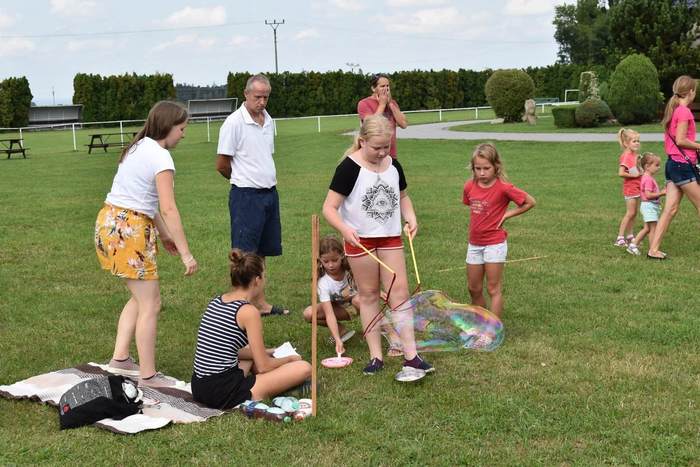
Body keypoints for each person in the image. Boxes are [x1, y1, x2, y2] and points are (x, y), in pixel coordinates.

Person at [322, 114, 433, 381]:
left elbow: (403, 196)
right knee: (369, 295)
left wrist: (411, 216)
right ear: (362, 141)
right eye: (377, 148)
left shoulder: (394, 165)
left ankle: (411, 355)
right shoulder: (349, 168)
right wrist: (345, 230)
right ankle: (376, 356)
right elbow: (329, 208)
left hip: (390, 238)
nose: (383, 152)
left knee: (400, 293)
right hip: (361, 242)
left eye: (387, 146)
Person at [96, 100, 198, 388]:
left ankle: (120, 359)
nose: (183, 134)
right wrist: (186, 254)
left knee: (139, 298)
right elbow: (168, 208)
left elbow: (144, 199)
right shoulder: (161, 157)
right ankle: (149, 376)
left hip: (110, 224)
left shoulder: (138, 147)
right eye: (182, 128)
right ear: (168, 126)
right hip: (130, 231)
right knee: (151, 304)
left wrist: (164, 235)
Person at [191, 249, 311, 409]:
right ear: (257, 280)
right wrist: (290, 359)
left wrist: (267, 351)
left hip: (199, 387)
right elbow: (263, 366)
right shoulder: (248, 311)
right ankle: (271, 388)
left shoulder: (217, 301)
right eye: (264, 276)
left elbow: (225, 349)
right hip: (223, 393)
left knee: (251, 352)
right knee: (304, 368)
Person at [216, 74, 288, 316]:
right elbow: (222, 164)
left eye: (266, 97)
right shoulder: (233, 123)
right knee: (243, 254)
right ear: (246, 94)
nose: (262, 102)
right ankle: (238, 304)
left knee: (262, 252)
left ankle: (260, 303)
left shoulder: (268, 120)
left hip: (269, 194)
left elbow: (265, 155)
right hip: (246, 197)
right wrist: (242, 180)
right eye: (257, 97)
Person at [463, 143, 535, 318]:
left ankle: (492, 328)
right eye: (478, 168)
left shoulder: (504, 188)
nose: (482, 173)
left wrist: (507, 214)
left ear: (496, 166)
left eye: (486, 168)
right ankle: (480, 323)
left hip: (494, 244)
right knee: (473, 288)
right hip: (474, 244)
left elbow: (530, 202)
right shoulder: (469, 186)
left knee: (493, 288)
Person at [303, 235, 403, 357]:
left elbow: (369, 285)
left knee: (357, 300)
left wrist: (379, 292)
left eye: (334, 260)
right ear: (320, 260)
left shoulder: (351, 268)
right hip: (342, 310)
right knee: (309, 313)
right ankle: (341, 331)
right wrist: (337, 339)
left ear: (342, 256)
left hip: (362, 304)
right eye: (326, 261)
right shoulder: (323, 283)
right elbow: (329, 314)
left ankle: (392, 334)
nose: (330, 265)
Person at [648, 75, 700, 260]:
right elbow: (681, 140)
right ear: (691, 91)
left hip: (673, 165)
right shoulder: (684, 112)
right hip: (682, 166)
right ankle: (653, 250)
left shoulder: (674, 109)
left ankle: (653, 250)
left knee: (670, 209)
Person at [357, 73, 407, 159]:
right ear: (373, 88)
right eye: (382, 86)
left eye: (387, 86)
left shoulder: (393, 103)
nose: (386, 89)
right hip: (372, 155)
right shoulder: (364, 103)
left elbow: (403, 124)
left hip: (391, 154)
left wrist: (390, 103)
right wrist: (382, 105)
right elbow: (371, 125)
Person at [626, 153, 666, 256]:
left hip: (648, 206)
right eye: (656, 165)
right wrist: (661, 193)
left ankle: (633, 245)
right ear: (647, 166)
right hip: (649, 206)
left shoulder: (647, 177)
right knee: (653, 229)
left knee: (647, 228)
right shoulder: (648, 179)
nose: (659, 167)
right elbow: (648, 195)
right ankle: (653, 250)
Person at [614, 128, 642, 247]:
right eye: (634, 141)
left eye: (638, 141)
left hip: (637, 187)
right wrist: (634, 175)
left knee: (634, 213)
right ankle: (620, 238)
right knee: (630, 213)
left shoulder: (635, 155)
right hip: (630, 189)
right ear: (626, 143)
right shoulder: (626, 156)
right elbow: (621, 173)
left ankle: (630, 236)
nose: (637, 143)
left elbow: (637, 169)